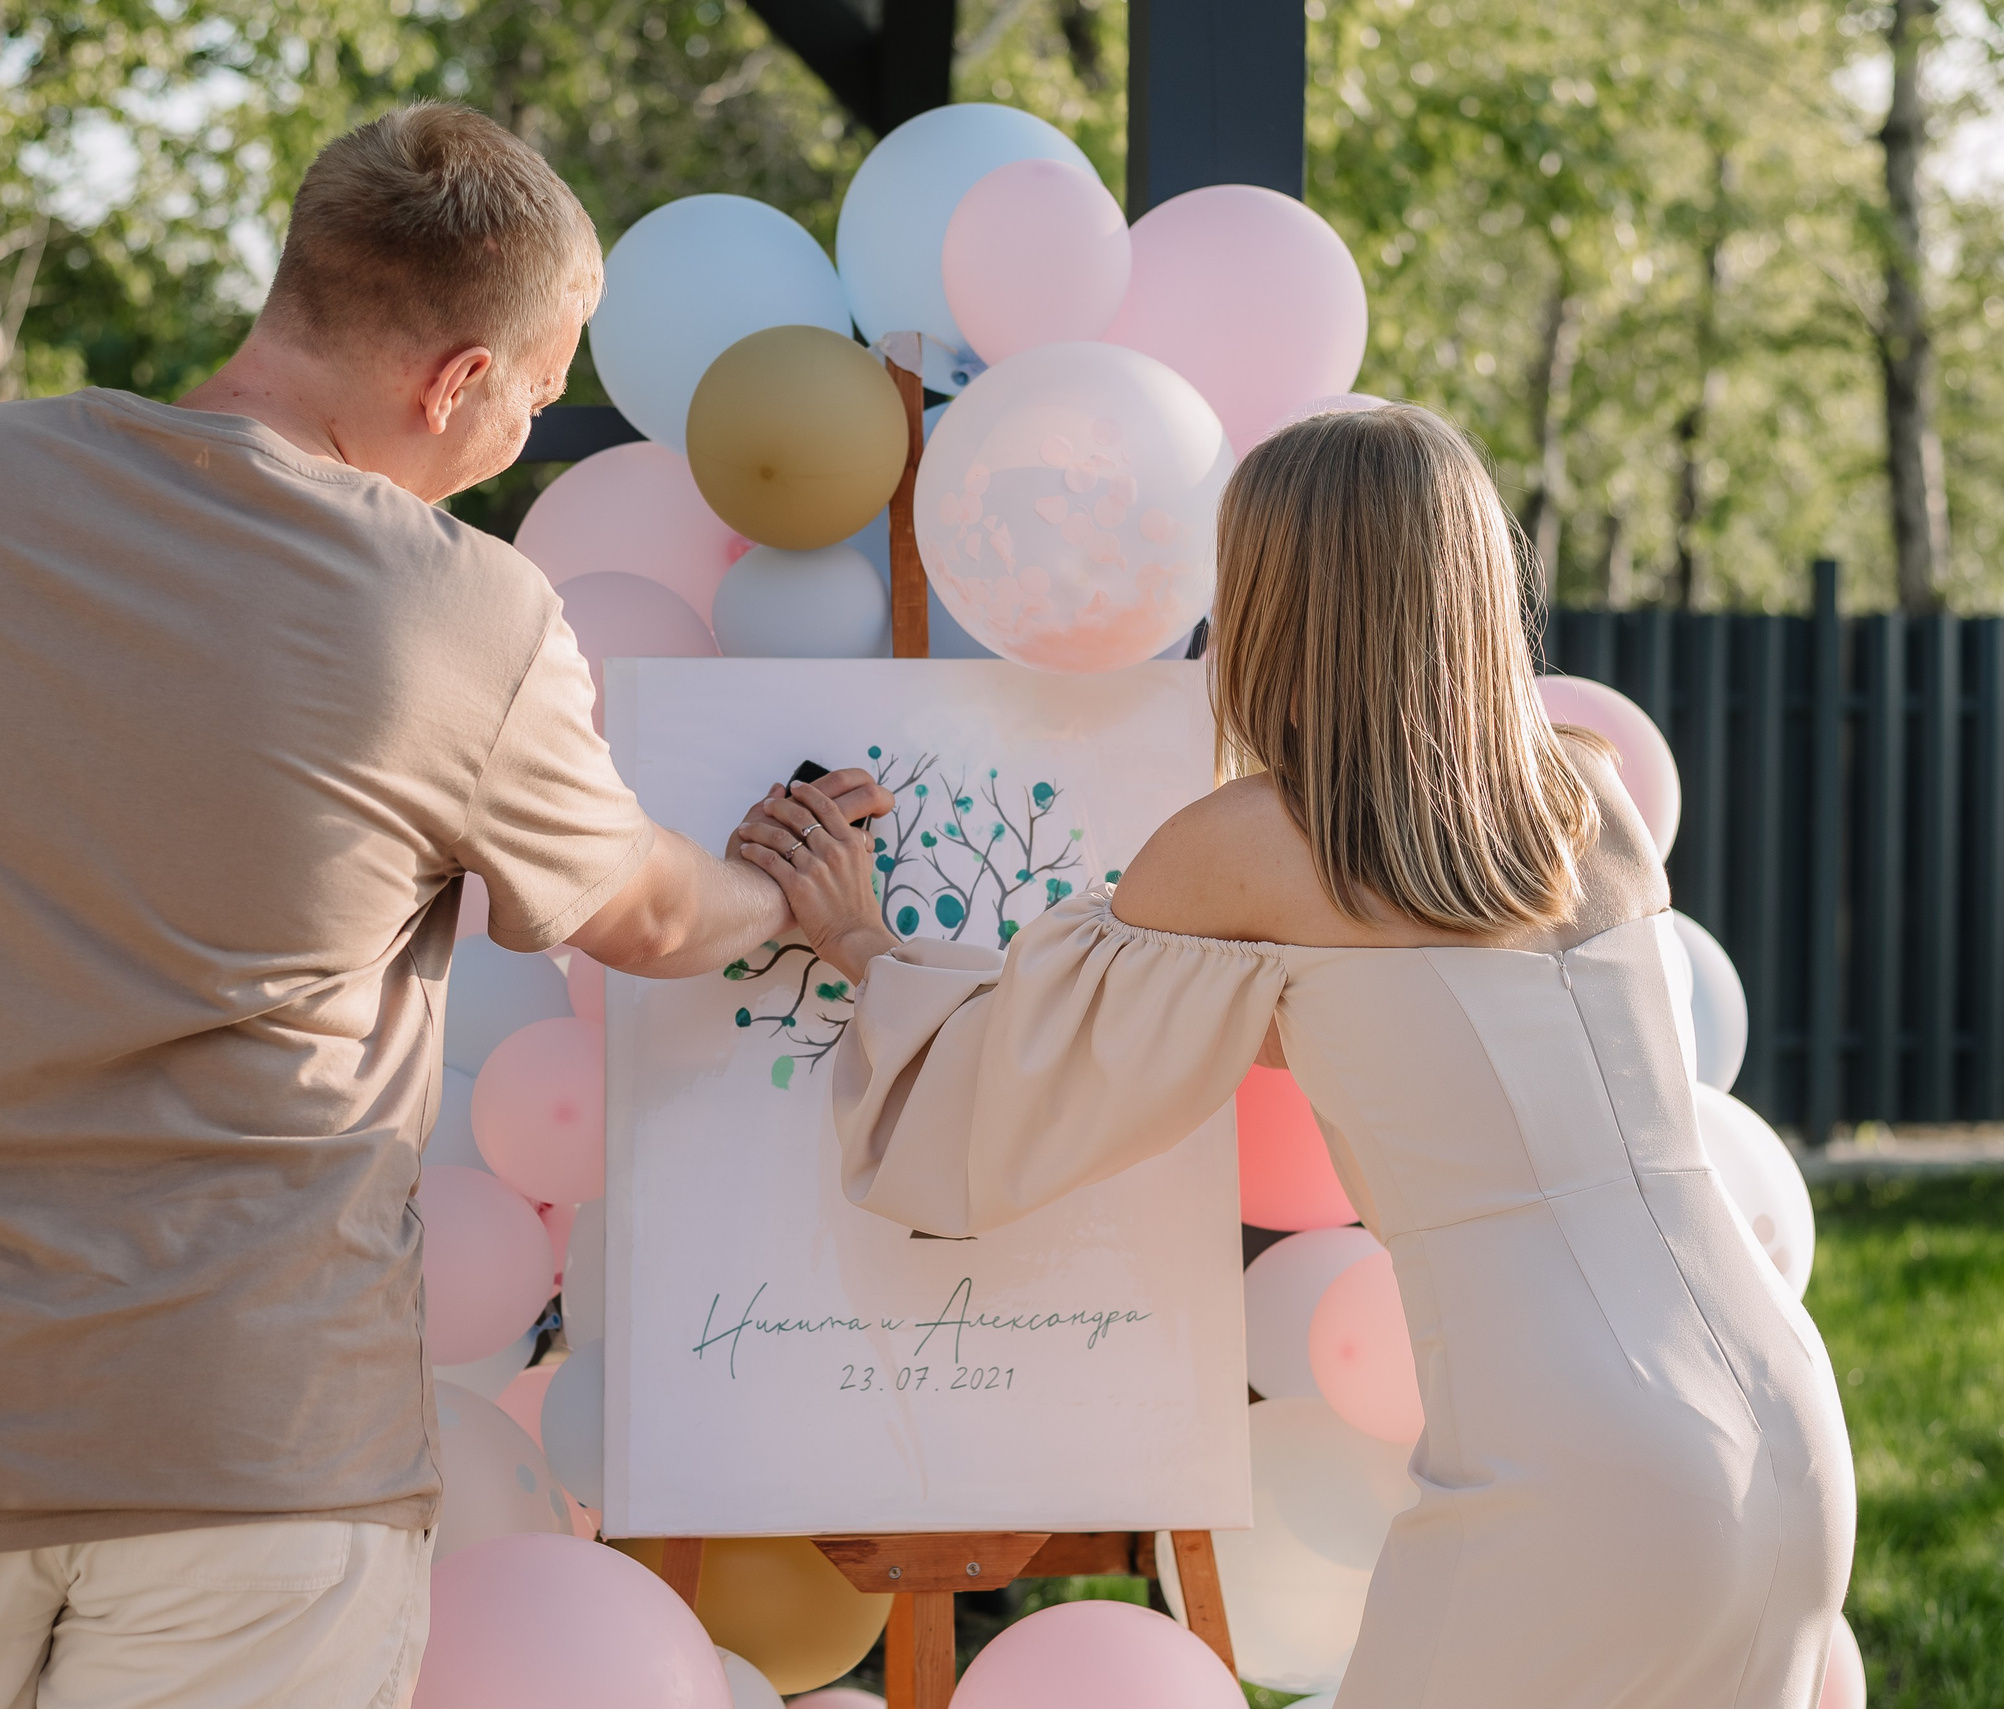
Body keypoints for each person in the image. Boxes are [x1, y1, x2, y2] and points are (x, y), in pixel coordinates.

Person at [0, 104, 886, 1709]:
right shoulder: (468, 610)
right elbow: (647, 915)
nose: (533, 421)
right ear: (458, 380)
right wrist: (773, 884)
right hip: (260, 1469)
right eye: (540, 381)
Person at [735, 404, 1855, 1707]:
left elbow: (998, 1096)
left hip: (1572, 1462)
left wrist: (866, 938)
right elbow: (1405, 1032)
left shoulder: (1254, 846)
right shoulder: (1591, 792)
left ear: (1272, 594)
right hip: (1782, 1407)